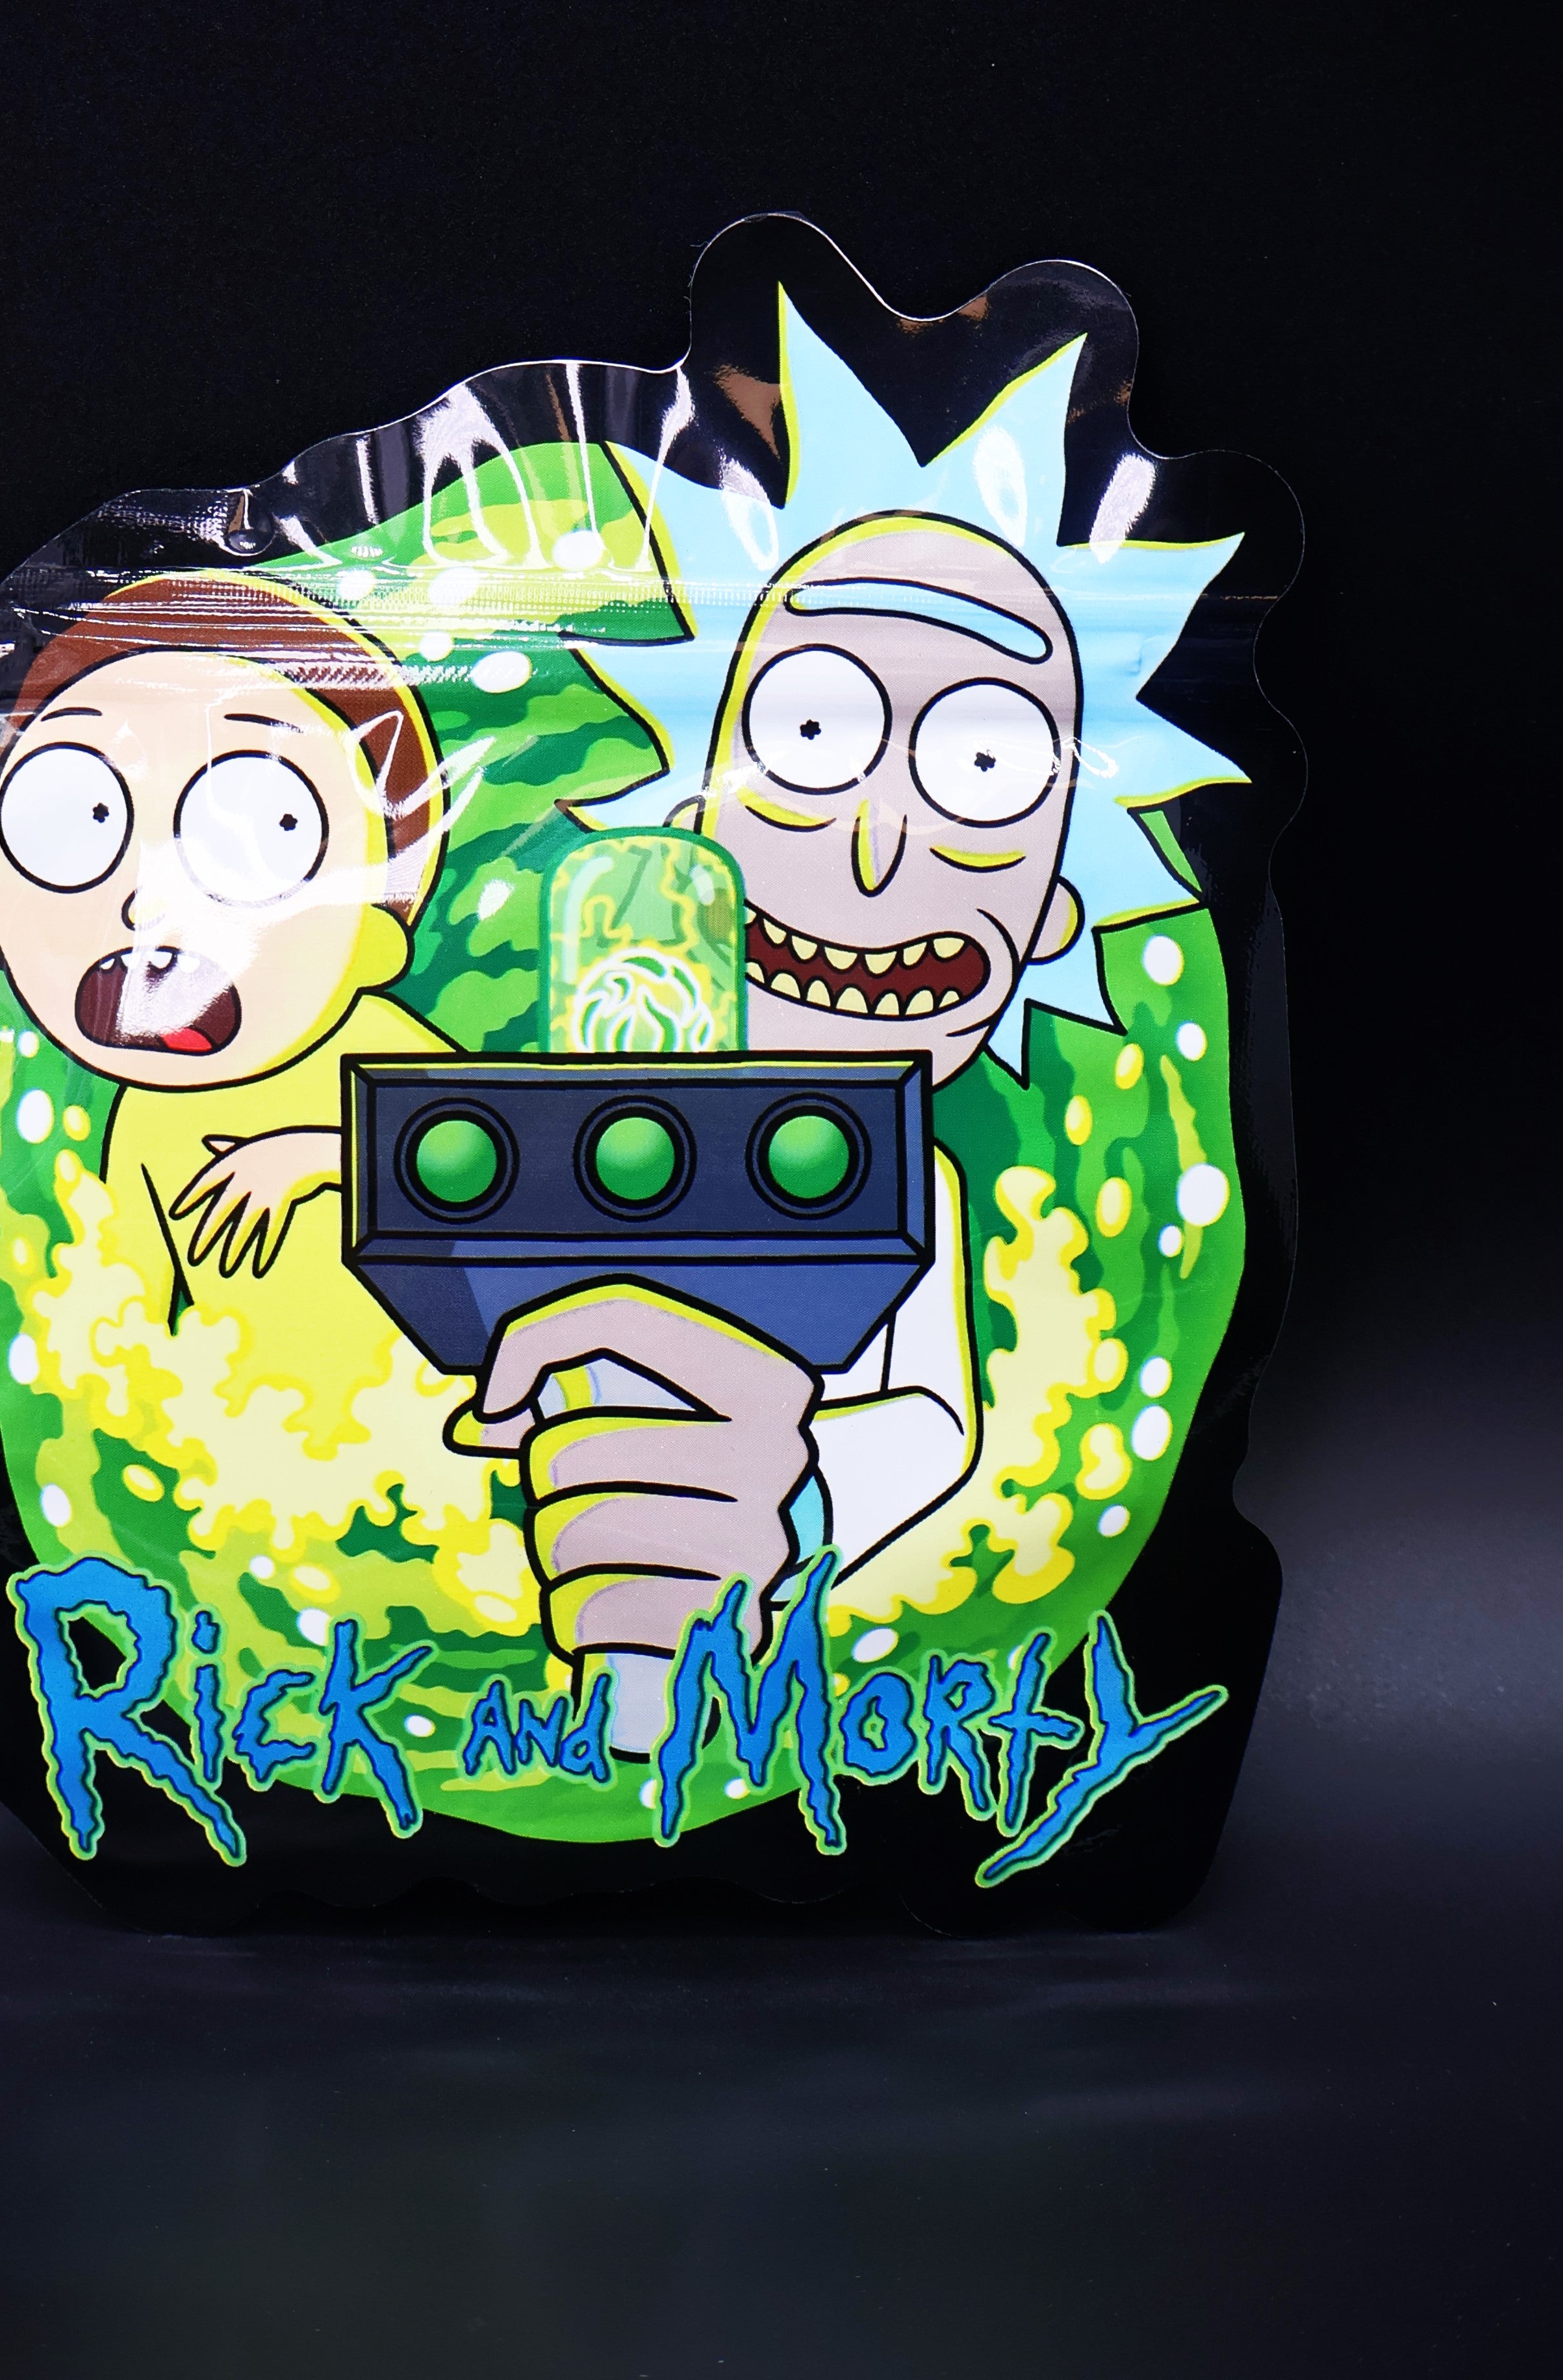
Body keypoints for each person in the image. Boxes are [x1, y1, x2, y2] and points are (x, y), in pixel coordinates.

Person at [454, 518, 1089, 1753]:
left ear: (1053, 918)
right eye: (810, 736)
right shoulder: (591, 1127)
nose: (875, 849)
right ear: (694, 832)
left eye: (982, 769)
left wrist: (785, 1505)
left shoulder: (911, 1187)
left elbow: (931, 1426)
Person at [0, 572, 452, 1446]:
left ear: (376, 935)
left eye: (267, 829)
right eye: (80, 824)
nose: (145, 906)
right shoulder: (147, 1117)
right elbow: (129, 1311)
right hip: (250, 1468)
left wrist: (325, 1156)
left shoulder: (387, 1049)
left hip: (448, 1440)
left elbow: (503, 1179)